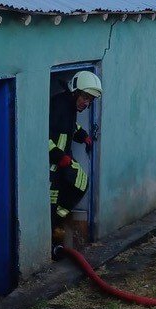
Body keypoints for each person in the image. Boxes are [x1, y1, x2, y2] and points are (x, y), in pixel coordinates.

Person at [49, 71, 101, 230]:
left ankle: (55, 222)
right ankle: (53, 224)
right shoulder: (58, 105)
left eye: (90, 100)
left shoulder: (69, 106)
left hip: (60, 163)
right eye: (85, 98)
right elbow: (42, 134)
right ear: (75, 92)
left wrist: (83, 136)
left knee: (79, 184)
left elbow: (69, 127)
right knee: (55, 197)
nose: (87, 104)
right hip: (53, 164)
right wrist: (58, 156)